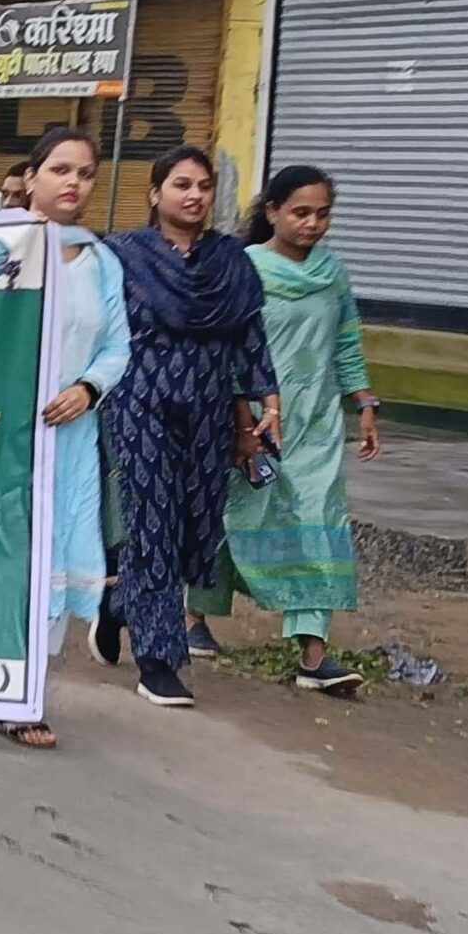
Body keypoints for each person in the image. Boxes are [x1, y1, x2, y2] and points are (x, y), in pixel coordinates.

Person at [99, 145, 281, 709]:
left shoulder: (230, 261)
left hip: (207, 408)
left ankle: (119, 603)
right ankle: (158, 661)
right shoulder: (123, 255)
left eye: (203, 186)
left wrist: (264, 402)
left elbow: (248, 335)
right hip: (140, 402)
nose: (195, 195)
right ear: (156, 194)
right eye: (182, 184)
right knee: (153, 520)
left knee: (193, 529)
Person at [186, 166, 379, 694]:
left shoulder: (332, 273)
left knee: (320, 522)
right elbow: (227, 348)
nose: (313, 224)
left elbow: (346, 341)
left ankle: (313, 655)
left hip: (317, 424)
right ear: (272, 211)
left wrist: (363, 401)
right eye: (300, 213)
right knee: (237, 514)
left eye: (323, 214)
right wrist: (239, 421)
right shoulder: (244, 268)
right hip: (252, 420)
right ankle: (194, 615)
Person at [0, 128, 130, 750]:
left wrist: (88, 388)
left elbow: (118, 345)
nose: (74, 182)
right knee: (4, 554)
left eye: (86, 173)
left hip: (70, 435)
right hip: (2, 434)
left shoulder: (101, 261)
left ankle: (27, 694)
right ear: (32, 177)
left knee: (55, 553)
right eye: (60, 169)